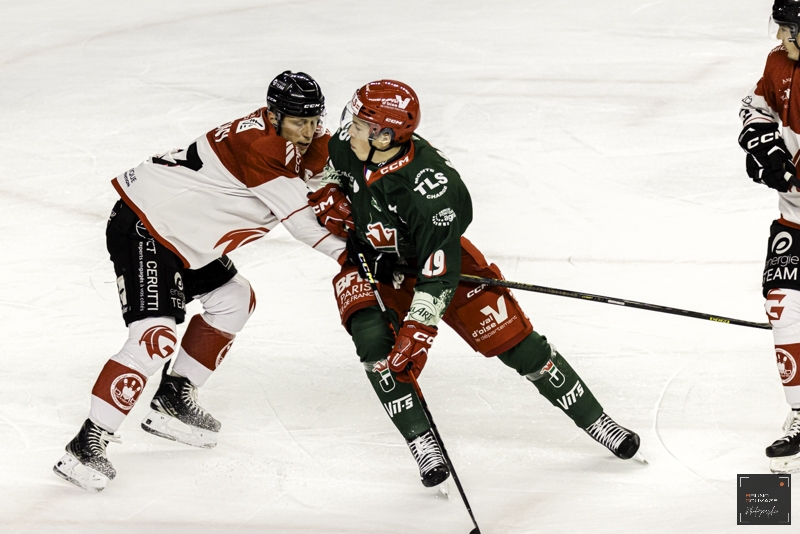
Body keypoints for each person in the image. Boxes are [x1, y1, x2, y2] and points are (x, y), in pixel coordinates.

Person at [309, 80, 642, 491]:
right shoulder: (349, 146)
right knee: (372, 339)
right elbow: (325, 173)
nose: (348, 130)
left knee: (515, 342)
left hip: (439, 264)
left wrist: (419, 329)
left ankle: (598, 421)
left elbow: (437, 272)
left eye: (360, 125)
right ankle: (422, 440)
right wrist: (329, 196)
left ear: (385, 136)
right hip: (373, 263)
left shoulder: (432, 190)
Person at [53, 71, 345, 492]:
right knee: (154, 338)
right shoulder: (261, 146)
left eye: (315, 120)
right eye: (299, 122)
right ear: (273, 115)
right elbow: (304, 225)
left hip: (183, 235)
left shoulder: (303, 137)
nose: (309, 131)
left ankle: (173, 397)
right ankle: (86, 443)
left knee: (234, 298)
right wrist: (352, 258)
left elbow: (335, 172)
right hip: (148, 228)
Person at [739, 0, 800, 474]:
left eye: (788, 28)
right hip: (794, 220)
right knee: (782, 305)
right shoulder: (779, 62)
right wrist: (764, 146)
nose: (780, 38)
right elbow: (755, 108)